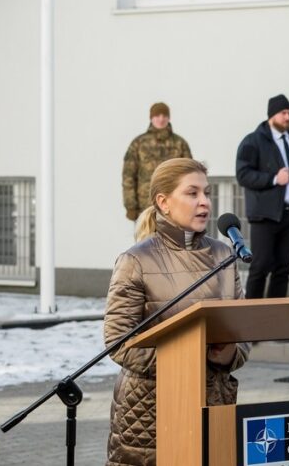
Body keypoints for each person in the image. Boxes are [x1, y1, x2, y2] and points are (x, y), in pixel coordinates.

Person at [103, 158, 250, 465]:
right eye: (192, 193)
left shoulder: (224, 255)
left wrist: (227, 352)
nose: (204, 203)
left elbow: (243, 334)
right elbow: (118, 341)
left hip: (214, 403)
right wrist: (186, 360)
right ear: (164, 202)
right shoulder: (136, 261)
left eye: (206, 193)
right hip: (151, 411)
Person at [236, 94, 289, 299]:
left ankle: (276, 317)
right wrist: (273, 179)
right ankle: (251, 315)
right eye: (283, 113)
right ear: (272, 115)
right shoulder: (253, 141)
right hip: (265, 215)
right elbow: (243, 174)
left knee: (283, 269)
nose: (287, 117)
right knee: (260, 266)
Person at [121, 102, 192, 222]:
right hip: (145, 208)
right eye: (157, 116)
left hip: (174, 207)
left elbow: (189, 175)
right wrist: (131, 206)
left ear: (169, 118)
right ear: (151, 118)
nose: (161, 119)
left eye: (164, 116)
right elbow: (128, 176)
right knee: (147, 240)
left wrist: (188, 201)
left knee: (173, 241)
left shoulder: (180, 143)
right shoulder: (138, 144)